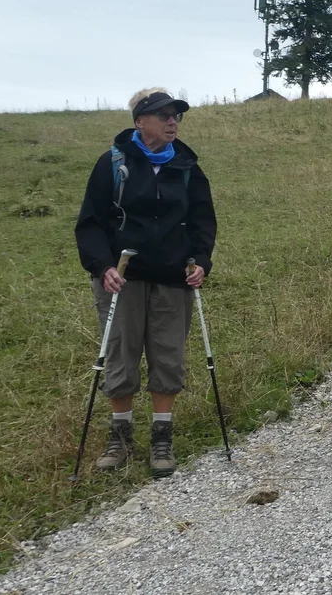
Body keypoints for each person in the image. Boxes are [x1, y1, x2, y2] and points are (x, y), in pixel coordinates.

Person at [75, 88, 216, 478]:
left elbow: (203, 222)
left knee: (168, 355)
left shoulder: (187, 167)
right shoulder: (113, 163)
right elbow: (90, 223)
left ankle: (161, 438)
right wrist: (102, 266)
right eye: (163, 115)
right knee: (120, 353)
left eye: (176, 116)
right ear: (140, 121)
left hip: (173, 276)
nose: (172, 122)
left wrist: (201, 262)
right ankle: (120, 437)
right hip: (123, 279)